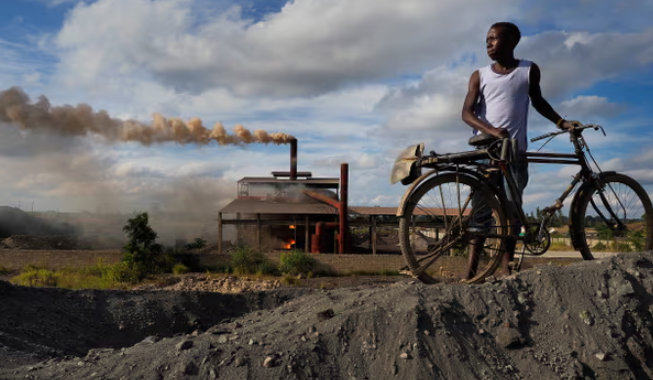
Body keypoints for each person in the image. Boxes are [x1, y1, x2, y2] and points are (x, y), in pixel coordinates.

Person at [461, 21, 580, 278]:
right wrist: (493, 132)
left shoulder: (528, 70)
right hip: (486, 154)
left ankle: (506, 270)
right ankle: (470, 274)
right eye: (487, 40)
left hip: (515, 153)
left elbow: (538, 100)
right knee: (480, 214)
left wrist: (561, 122)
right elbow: (466, 114)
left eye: (494, 39)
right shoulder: (479, 75)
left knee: (512, 211)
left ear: (513, 41)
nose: (489, 44)